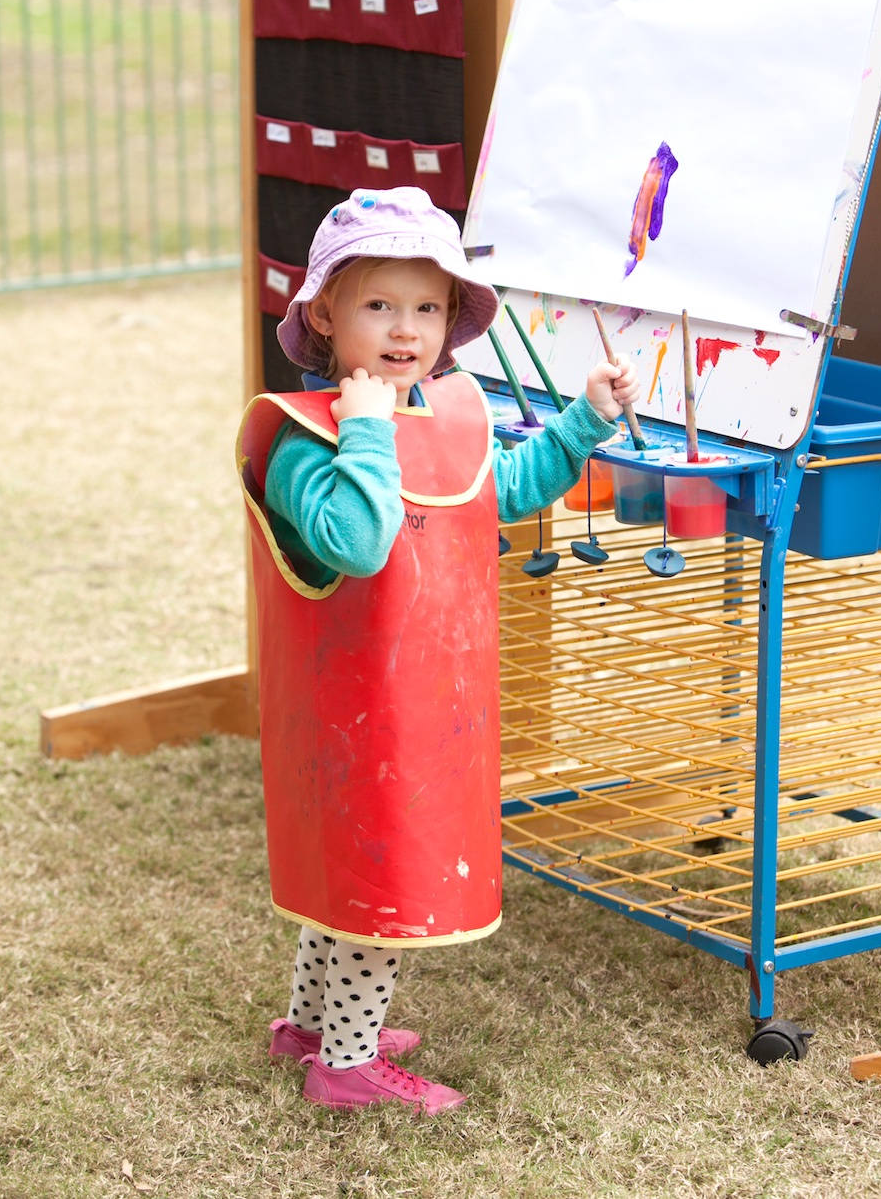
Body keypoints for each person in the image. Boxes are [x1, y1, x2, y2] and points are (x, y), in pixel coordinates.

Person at [237, 186, 640, 1113]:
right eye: (380, 304)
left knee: (352, 882)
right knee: (375, 890)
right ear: (328, 314)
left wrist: (584, 419)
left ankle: (308, 1026)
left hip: (419, 713)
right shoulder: (308, 440)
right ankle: (347, 1064)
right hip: (354, 721)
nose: (407, 329)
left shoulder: (448, 415)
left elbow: (499, 488)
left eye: (428, 307)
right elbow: (360, 542)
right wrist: (369, 427)